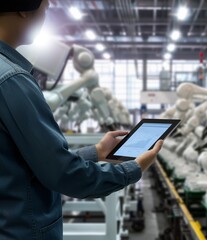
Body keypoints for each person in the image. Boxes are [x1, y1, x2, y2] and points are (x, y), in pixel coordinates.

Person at [0, 1, 163, 239]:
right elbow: (64, 175)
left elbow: (28, 163)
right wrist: (134, 169)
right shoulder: (13, 80)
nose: (44, 16)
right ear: (24, 9)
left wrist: (96, 151)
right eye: (45, 9)